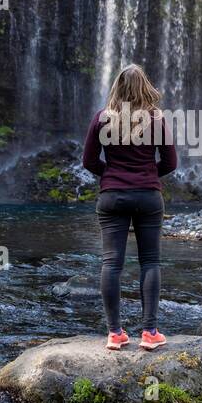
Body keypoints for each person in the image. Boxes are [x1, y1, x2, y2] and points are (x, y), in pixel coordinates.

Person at [82, 64, 178, 350]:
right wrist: (146, 176)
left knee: (111, 263)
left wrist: (112, 175)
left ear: (117, 88)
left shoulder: (102, 119)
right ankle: (149, 333)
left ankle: (115, 334)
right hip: (148, 196)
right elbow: (171, 163)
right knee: (150, 261)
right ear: (143, 87)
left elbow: (89, 161)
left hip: (112, 197)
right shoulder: (156, 119)